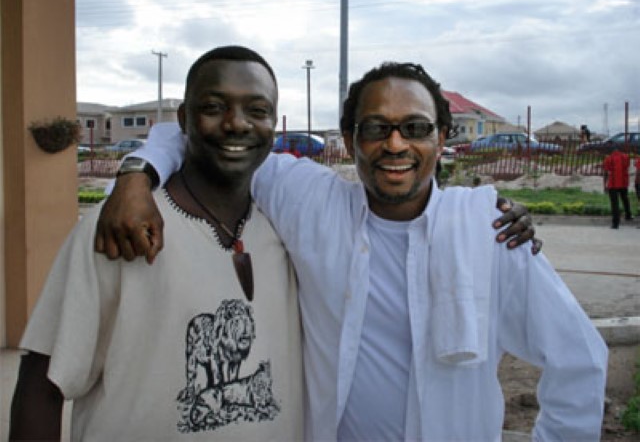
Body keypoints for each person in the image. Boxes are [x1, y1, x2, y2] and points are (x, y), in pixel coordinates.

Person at [94, 61, 607, 440]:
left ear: (442, 137)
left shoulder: (489, 231)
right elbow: (197, 134)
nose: (396, 144)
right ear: (350, 138)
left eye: (416, 128)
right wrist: (136, 174)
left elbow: (579, 358)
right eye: (376, 128)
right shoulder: (309, 199)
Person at [10, 46, 304, 441]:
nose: (237, 124)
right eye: (215, 107)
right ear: (184, 119)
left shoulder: (287, 228)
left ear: (273, 123)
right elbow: (42, 386)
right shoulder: (122, 229)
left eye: (257, 110)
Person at [603, 148, 633, 228]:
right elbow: (627, 167)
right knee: (625, 199)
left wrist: (604, 185)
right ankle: (628, 215)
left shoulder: (608, 158)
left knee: (614, 203)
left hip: (613, 183)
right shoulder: (626, 157)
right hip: (623, 182)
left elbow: (606, 172)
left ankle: (615, 223)